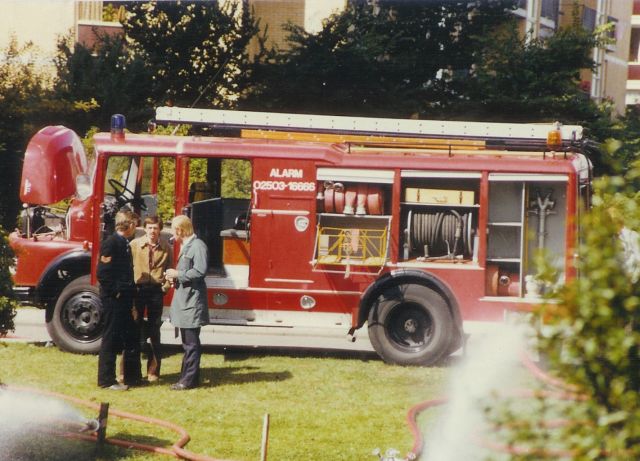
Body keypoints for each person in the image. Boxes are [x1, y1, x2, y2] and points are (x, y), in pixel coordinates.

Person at [96, 210, 142, 390]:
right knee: (110, 338)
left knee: (130, 336)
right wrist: (116, 294)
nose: (135, 228)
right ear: (128, 224)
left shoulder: (124, 244)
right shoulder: (111, 243)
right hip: (114, 301)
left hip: (124, 299)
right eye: (135, 224)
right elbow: (103, 274)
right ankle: (106, 380)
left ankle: (132, 378)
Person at [165, 215, 210, 390]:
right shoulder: (187, 245)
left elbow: (200, 271)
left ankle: (187, 381)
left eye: (174, 230)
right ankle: (188, 377)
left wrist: (178, 274)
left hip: (192, 301)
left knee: (191, 343)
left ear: (180, 230)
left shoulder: (197, 246)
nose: (172, 235)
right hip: (185, 299)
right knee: (188, 342)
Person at [130, 215, 172, 382]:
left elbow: (170, 270)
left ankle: (153, 372)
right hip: (138, 291)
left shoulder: (166, 247)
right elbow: (127, 267)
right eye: (149, 228)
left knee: (155, 331)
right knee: (133, 329)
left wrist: (164, 288)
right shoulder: (134, 245)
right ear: (145, 229)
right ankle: (129, 371)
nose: (152, 231)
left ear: (159, 229)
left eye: (155, 228)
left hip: (155, 291)